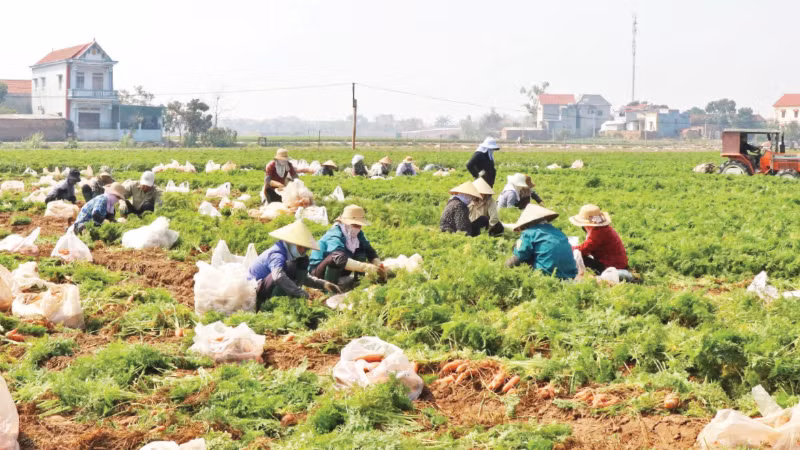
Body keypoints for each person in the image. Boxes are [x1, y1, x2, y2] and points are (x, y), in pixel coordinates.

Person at [248, 221, 340, 310]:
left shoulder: (292, 256)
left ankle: (289, 297)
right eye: (300, 247)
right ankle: (273, 304)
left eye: (305, 248)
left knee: (302, 260)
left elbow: (304, 277)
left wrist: (324, 284)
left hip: (271, 284)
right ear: (290, 243)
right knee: (288, 269)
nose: (303, 250)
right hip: (257, 290)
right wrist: (300, 293)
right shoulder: (277, 254)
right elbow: (278, 277)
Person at [309, 204, 386, 288]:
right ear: (346, 223)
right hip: (318, 273)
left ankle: (358, 285)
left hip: (340, 271)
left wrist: (378, 264)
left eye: (359, 225)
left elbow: (369, 250)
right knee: (335, 258)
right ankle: (329, 290)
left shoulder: (357, 234)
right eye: (355, 225)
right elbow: (338, 258)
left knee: (361, 252)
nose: (358, 228)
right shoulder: (334, 234)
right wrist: (366, 267)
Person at [505, 204, 577, 280]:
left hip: (546, 276)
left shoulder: (529, 233)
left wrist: (504, 268)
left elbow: (519, 257)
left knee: (520, 251)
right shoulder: (558, 232)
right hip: (570, 276)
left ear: (527, 224)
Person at [569, 204, 628, 274]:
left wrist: (568, 248)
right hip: (618, 264)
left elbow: (583, 250)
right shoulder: (603, 229)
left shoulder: (598, 233)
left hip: (612, 267)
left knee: (578, 256)